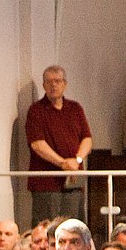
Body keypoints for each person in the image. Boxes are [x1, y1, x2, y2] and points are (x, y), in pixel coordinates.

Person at [24, 65, 92, 224]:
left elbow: (87, 139)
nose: (53, 85)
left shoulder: (75, 108)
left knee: (73, 226)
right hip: (46, 183)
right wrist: (63, 163)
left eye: (57, 81)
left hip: (73, 181)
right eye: (49, 82)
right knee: (48, 227)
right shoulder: (36, 110)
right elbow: (37, 144)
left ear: (65, 84)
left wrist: (77, 161)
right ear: (43, 85)